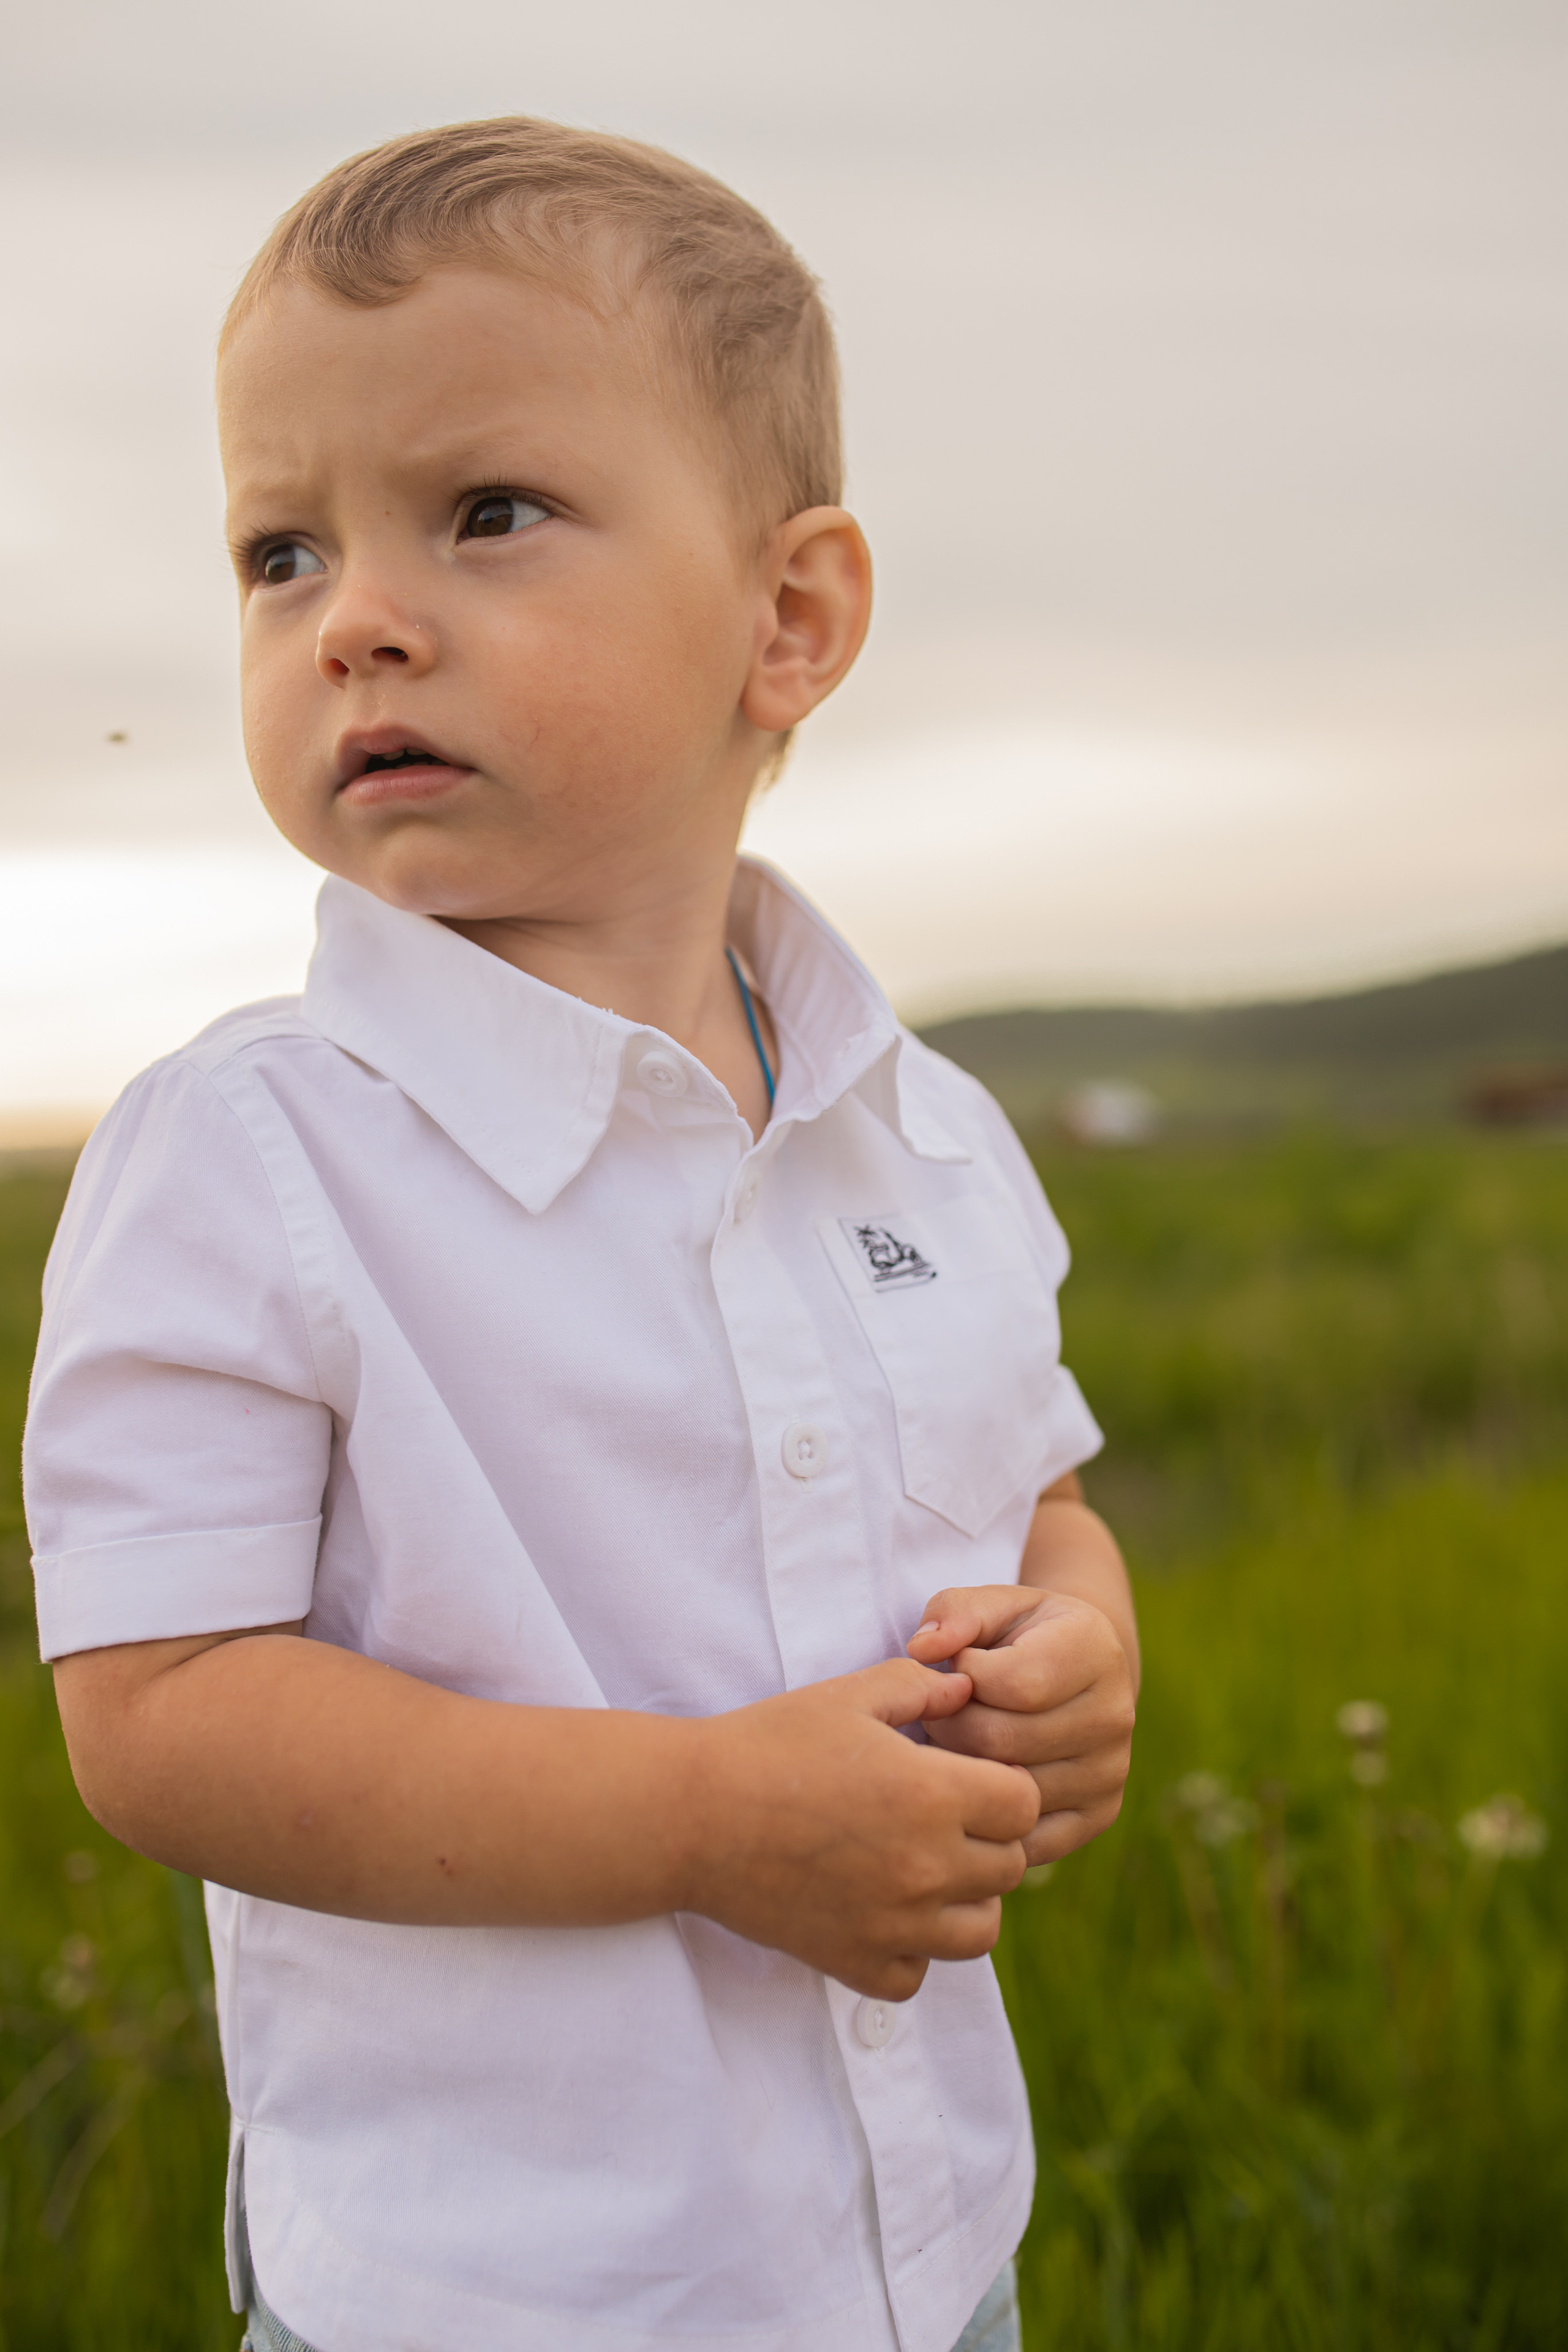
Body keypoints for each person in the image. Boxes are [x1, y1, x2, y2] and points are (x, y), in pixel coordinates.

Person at [23, 119, 1138, 2352]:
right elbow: (158, 1711)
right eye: (276, 552)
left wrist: (1079, 1652)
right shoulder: (246, 1155)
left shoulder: (922, 1133)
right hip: (495, 2290)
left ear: (788, 618)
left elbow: (1031, 1494)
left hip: (924, 2259)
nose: (358, 616)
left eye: (487, 513)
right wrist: (705, 1812)